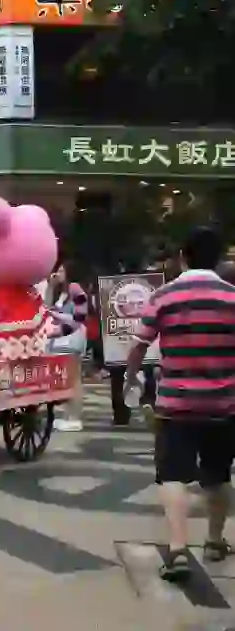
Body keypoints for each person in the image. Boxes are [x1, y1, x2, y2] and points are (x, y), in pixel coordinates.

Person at [124, 227, 235, 583]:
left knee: (172, 476)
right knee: (218, 477)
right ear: (218, 260)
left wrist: (130, 377)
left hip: (175, 406)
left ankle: (176, 550)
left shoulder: (164, 296)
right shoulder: (232, 297)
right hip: (223, 405)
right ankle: (216, 540)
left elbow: (140, 343)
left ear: (183, 257)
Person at [46, 261, 90, 433]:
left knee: (74, 379)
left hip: (72, 338)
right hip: (61, 338)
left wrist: (58, 316)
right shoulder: (61, 292)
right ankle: (67, 416)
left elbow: (79, 317)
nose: (58, 273)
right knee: (66, 379)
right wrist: (50, 287)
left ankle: (74, 417)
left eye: (62, 270)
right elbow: (46, 307)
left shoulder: (76, 289)